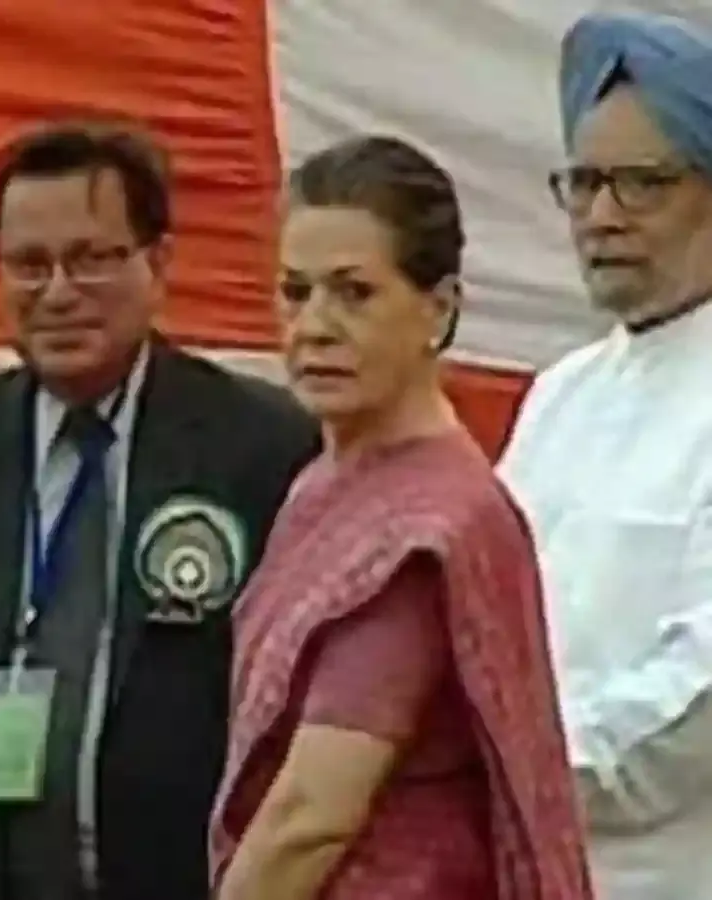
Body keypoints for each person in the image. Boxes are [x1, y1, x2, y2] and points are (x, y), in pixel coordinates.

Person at [0, 121, 319, 900]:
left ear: (159, 263)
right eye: (29, 265)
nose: (58, 292)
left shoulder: (266, 448)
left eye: (91, 259)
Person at [209, 135, 595, 899]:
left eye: (354, 293)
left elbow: (311, 817)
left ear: (439, 308)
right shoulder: (320, 486)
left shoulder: (428, 526)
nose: (314, 326)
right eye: (295, 292)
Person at [496, 12, 712, 900]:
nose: (601, 216)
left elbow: (700, 692)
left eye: (642, 184)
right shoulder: (560, 395)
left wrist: (520, 764)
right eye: (584, 183)